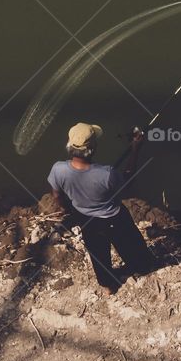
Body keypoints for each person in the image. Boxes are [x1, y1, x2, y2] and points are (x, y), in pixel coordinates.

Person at [48, 122, 154, 294]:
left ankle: (108, 285)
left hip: (85, 218)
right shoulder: (107, 173)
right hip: (114, 218)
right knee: (131, 246)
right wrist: (135, 149)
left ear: (70, 145)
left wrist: (67, 209)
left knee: (98, 252)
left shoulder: (58, 169)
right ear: (93, 147)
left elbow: (57, 195)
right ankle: (141, 267)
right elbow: (127, 182)